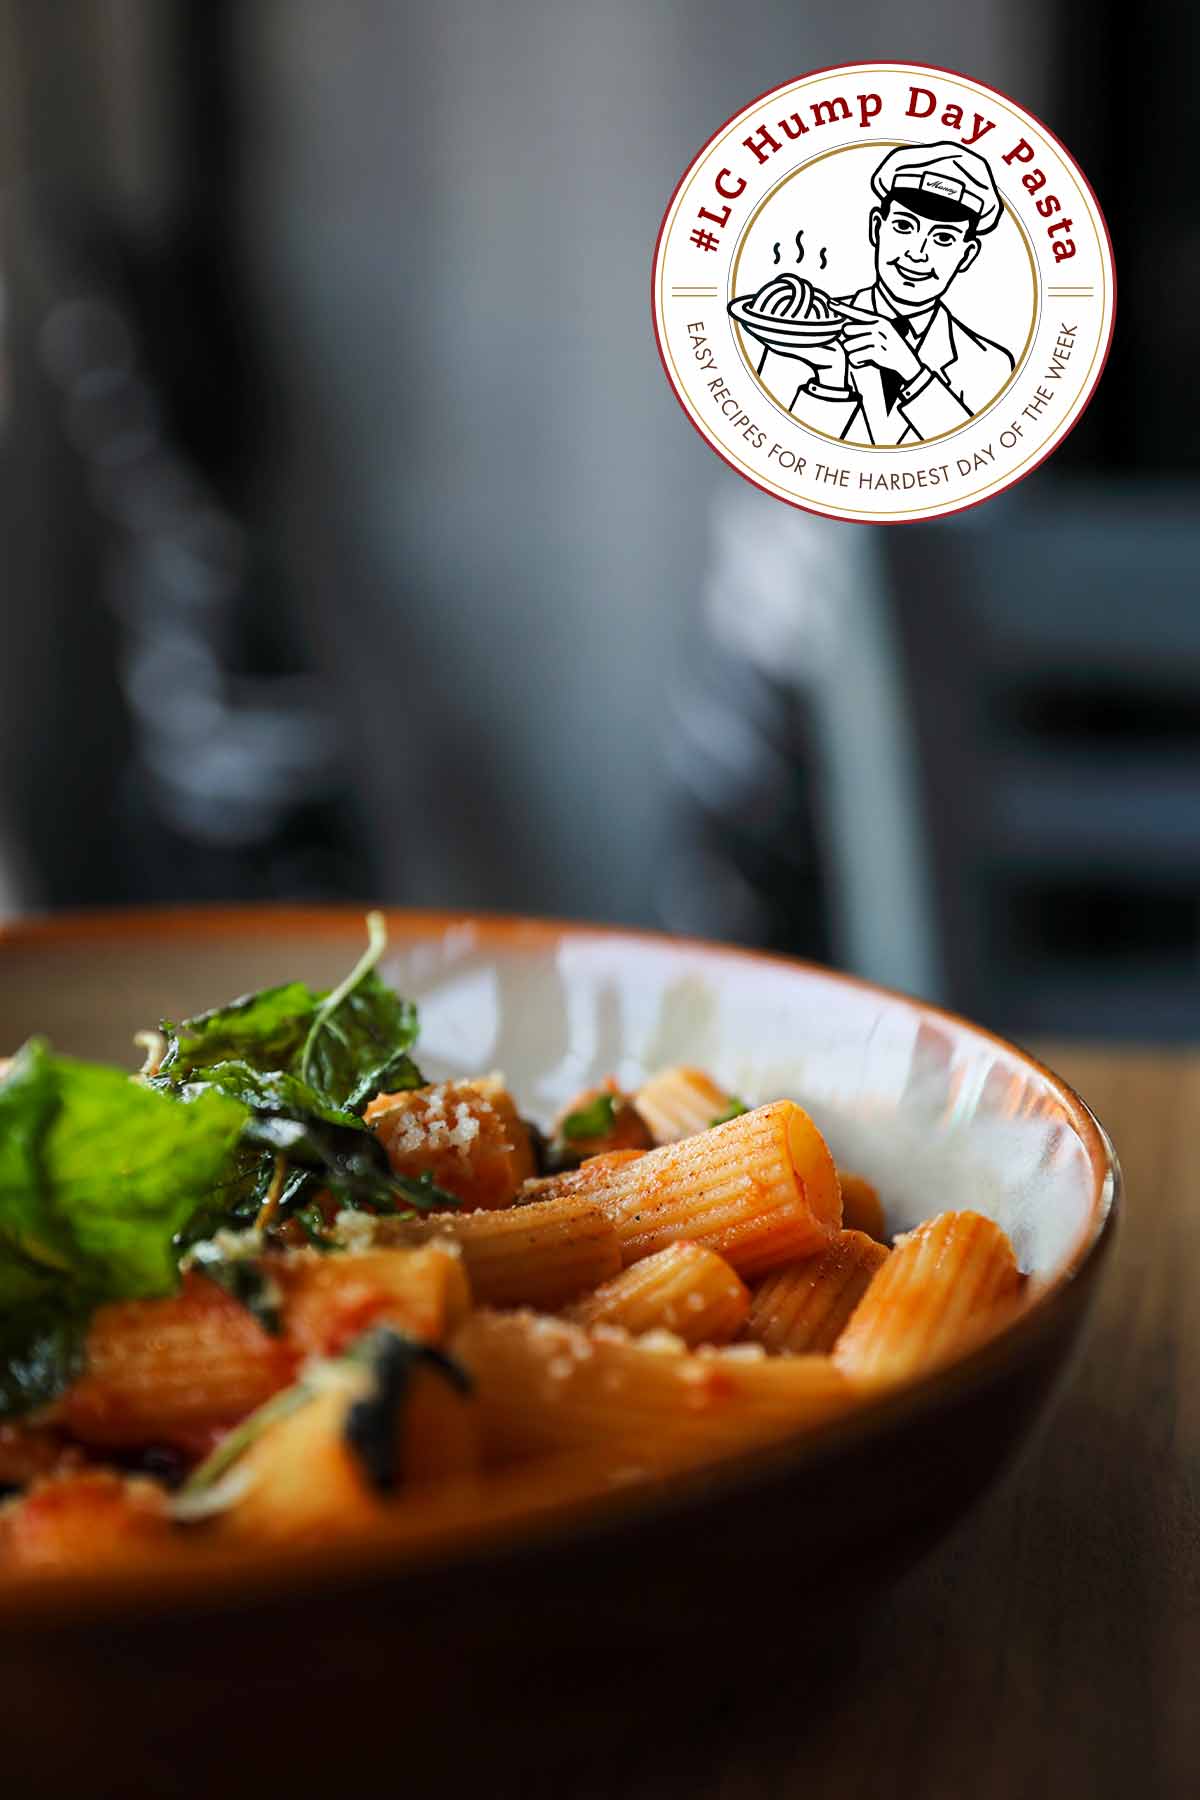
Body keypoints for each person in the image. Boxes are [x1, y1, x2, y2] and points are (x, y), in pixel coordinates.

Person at [754, 142, 1015, 447]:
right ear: (877, 229)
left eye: (943, 238)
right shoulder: (801, 332)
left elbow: (977, 458)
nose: (917, 254)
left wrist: (913, 372)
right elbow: (778, 456)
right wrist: (829, 385)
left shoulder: (989, 365)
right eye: (904, 226)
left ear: (967, 255)